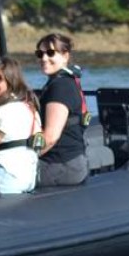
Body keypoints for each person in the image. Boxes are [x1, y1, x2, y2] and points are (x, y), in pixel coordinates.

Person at [35, 32, 90, 187]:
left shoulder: (60, 87)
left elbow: (51, 137)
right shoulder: (62, 82)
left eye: (51, 53)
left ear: (65, 56)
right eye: (40, 54)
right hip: (70, 162)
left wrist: (27, 158)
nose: (44, 58)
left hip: (60, 165)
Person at [0, 57, 41, 194]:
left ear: (10, 80)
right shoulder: (30, 107)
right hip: (29, 178)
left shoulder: (4, 110)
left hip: (7, 178)